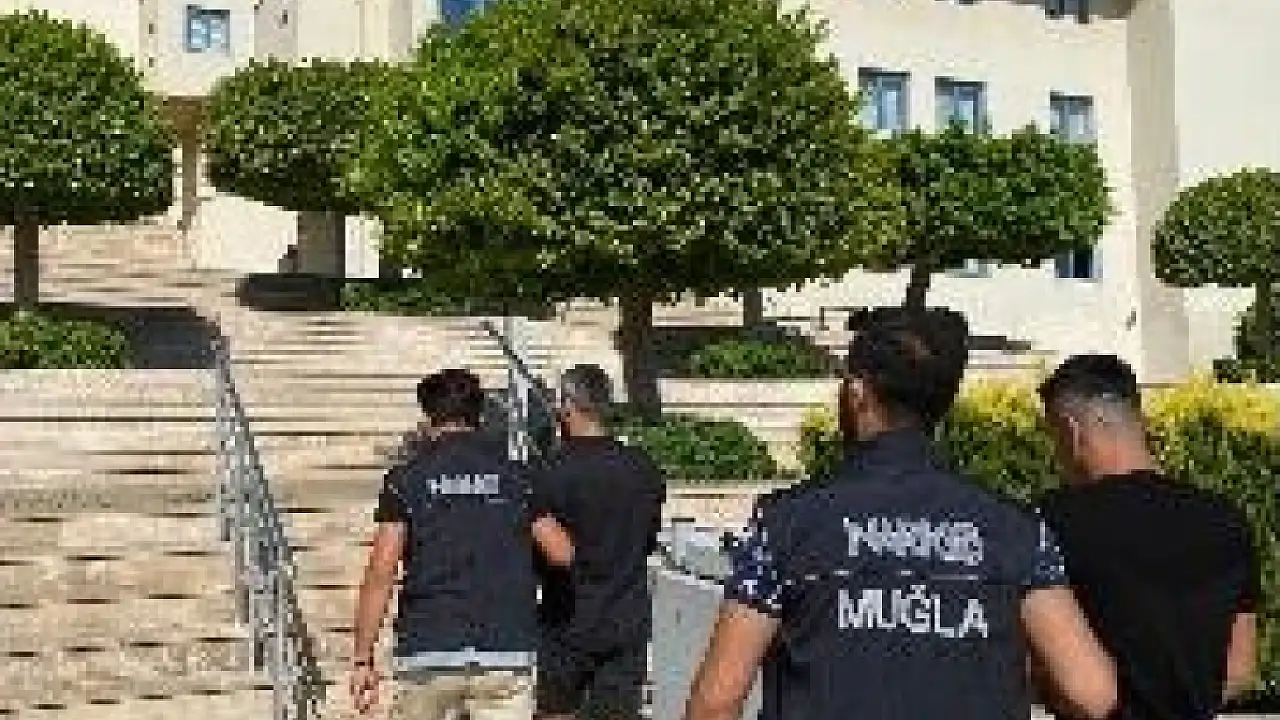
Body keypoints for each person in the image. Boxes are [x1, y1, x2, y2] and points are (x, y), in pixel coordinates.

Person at [684, 307, 1119, 720]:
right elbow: (1091, 692)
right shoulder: (1017, 532)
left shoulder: (784, 524)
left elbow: (716, 704)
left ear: (858, 394)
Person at [1036, 354, 1261, 720]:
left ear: (1073, 431)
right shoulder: (1227, 520)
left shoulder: (1052, 522)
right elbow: (1239, 670)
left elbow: (1062, 681)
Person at [349, 369, 573, 720]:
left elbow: (381, 572)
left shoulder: (405, 480)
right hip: (504, 648)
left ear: (428, 417)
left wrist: (364, 658)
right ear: (480, 416)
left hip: (429, 646)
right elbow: (561, 552)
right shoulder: (518, 477)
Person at [534, 364, 667, 720]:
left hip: (567, 619)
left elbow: (541, 551)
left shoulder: (549, 472)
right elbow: (648, 539)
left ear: (568, 406)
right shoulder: (643, 467)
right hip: (627, 618)